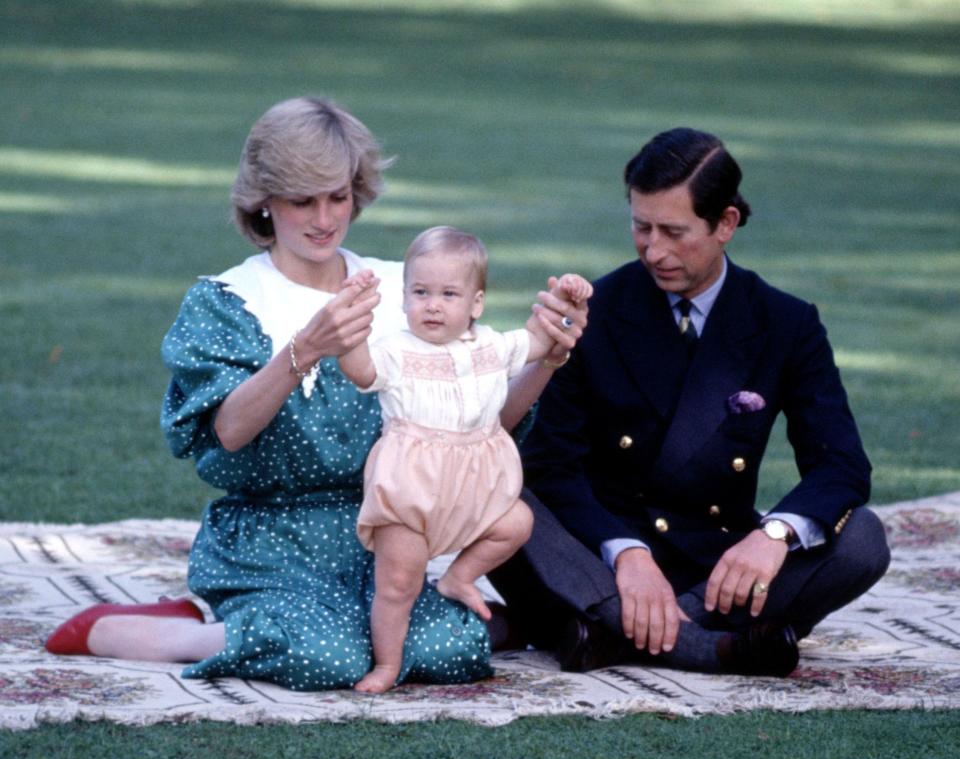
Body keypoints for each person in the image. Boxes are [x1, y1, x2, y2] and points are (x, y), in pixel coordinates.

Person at [43, 97, 588, 691]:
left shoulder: (403, 288)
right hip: (270, 539)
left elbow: (479, 423)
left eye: (338, 196)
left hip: (380, 537)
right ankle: (179, 631)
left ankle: (315, 627)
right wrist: (304, 349)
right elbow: (226, 432)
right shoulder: (228, 301)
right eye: (303, 200)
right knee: (326, 658)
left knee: (453, 649)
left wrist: (549, 358)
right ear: (264, 204)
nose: (325, 218)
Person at [488, 127, 891, 677]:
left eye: (674, 232)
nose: (654, 251)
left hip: (716, 566)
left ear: (725, 223)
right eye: (641, 227)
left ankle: (601, 633)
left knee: (863, 538)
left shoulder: (786, 323)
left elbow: (841, 464)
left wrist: (773, 536)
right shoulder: (596, 311)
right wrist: (626, 551)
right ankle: (706, 647)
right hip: (599, 556)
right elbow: (550, 466)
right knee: (493, 487)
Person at [337, 226, 592, 692]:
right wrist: (349, 330)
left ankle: (459, 576)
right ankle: (387, 665)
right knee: (398, 585)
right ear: (404, 298)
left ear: (475, 304)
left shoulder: (491, 346)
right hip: (409, 489)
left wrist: (566, 299)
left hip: (474, 489)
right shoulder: (396, 350)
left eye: (448, 294)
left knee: (516, 522)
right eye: (420, 292)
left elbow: (539, 340)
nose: (432, 304)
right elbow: (360, 370)